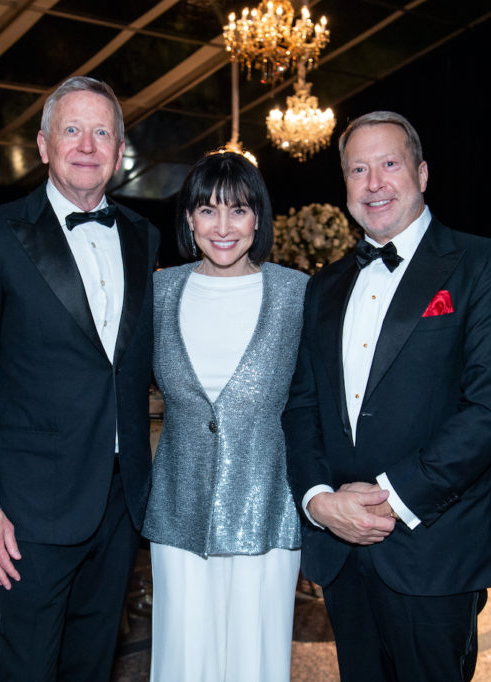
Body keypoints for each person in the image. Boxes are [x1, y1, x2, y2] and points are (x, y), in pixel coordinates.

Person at [282, 111, 491, 680]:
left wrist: (388, 499)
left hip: (433, 546)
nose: (374, 183)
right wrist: (319, 500)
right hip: (342, 547)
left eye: (389, 164)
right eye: (358, 169)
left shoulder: (483, 265)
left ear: (421, 173)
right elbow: (300, 407)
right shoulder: (323, 285)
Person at [0, 76, 160, 681]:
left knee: (93, 662)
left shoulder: (144, 238)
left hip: (121, 497)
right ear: (43, 145)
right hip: (31, 504)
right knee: (29, 666)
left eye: (102, 133)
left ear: (119, 151)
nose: (87, 145)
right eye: (72, 129)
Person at [141, 152, 307, 681]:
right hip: (177, 507)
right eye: (208, 210)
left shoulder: (297, 294)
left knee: (254, 659)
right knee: (182, 657)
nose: (223, 226)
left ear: (258, 218)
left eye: (238, 210)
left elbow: (316, 403)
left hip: (268, 509)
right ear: (189, 219)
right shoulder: (159, 292)